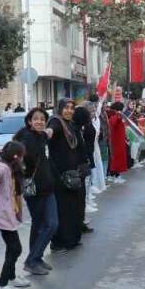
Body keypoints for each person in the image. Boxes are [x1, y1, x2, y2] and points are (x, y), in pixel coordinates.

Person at [14, 108, 57, 276]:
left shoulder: (39, 136)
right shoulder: (27, 139)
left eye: (42, 119)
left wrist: (47, 132)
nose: (39, 121)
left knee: (42, 224)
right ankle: (32, 260)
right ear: (29, 121)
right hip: (35, 189)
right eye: (36, 119)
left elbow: (47, 134)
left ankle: (36, 258)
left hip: (47, 187)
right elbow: (24, 160)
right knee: (49, 224)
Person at [0, 141, 32, 289]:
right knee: (15, 248)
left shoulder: (13, 169)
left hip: (9, 214)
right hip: (3, 215)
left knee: (12, 247)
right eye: (21, 156)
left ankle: (12, 277)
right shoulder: (4, 168)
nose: (22, 159)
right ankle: (2, 284)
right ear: (16, 156)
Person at [49, 100, 86, 251]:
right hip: (61, 175)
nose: (69, 111)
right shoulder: (56, 122)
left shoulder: (70, 124)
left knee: (74, 208)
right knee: (63, 209)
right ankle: (59, 242)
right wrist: (46, 132)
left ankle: (72, 238)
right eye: (66, 108)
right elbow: (51, 130)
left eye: (71, 108)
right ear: (60, 109)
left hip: (73, 175)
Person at [106, 101, 130, 181]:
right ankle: (115, 175)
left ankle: (116, 174)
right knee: (116, 158)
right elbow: (113, 124)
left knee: (119, 157)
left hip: (119, 140)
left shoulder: (117, 116)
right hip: (115, 141)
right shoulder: (114, 116)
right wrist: (118, 117)